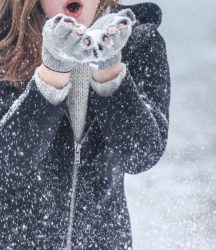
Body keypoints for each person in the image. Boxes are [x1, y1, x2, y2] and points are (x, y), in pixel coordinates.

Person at [0, 0, 170, 249]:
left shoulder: (140, 42)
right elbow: (7, 163)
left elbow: (141, 155)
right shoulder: (5, 43)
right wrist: (53, 72)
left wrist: (109, 69)